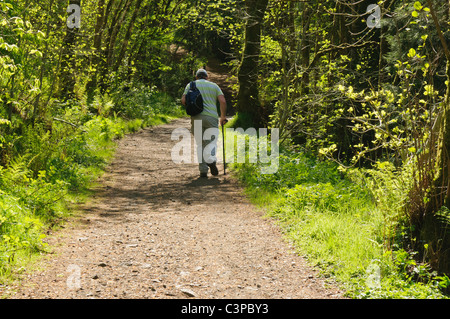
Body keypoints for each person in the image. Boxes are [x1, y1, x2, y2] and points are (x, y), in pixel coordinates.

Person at [181, 68, 227, 178]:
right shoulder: (214, 86)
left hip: (196, 117)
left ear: (196, 77)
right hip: (211, 118)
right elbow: (223, 101)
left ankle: (203, 171)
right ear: (207, 77)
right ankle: (210, 160)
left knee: (200, 144)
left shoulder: (191, 85)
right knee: (211, 142)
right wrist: (223, 117)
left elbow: (183, 100)